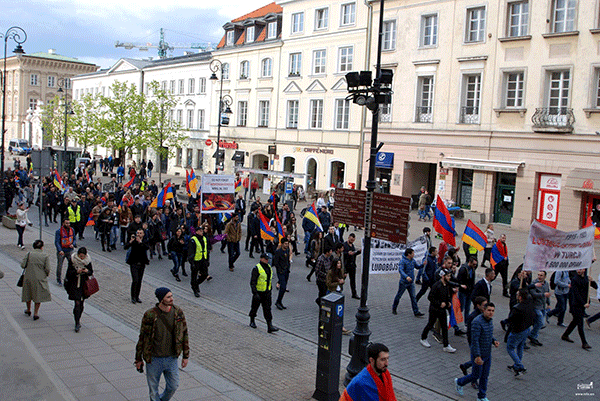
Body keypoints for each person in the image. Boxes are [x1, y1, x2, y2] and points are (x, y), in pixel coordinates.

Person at [135, 288, 189, 401]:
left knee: (173, 386)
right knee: (153, 389)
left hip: (171, 357)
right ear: (161, 299)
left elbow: (184, 334)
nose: (171, 299)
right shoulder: (150, 314)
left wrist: (185, 356)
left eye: (171, 296)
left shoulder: (178, 312)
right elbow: (142, 337)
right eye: (168, 297)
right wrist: (138, 358)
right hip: (154, 359)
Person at [454, 303, 499, 401]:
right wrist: (477, 356)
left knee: (485, 376)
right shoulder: (477, 322)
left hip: (487, 353)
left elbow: (488, 334)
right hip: (478, 354)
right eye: (489, 310)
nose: (491, 313)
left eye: (493, 310)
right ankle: (459, 382)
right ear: (484, 310)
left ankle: (482, 396)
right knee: (476, 375)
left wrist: (493, 340)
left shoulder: (489, 321)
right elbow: (475, 340)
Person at [420, 269, 457, 352]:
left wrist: (448, 302)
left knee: (444, 327)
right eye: (447, 276)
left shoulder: (447, 285)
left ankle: (446, 345)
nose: (449, 278)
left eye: (449, 276)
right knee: (430, 324)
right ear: (443, 276)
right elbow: (430, 297)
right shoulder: (436, 285)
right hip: (434, 309)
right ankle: (423, 338)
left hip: (442, 310)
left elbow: (447, 295)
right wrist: (439, 303)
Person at [562, 269, 598, 350]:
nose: (578, 270)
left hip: (583, 304)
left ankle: (565, 335)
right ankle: (584, 343)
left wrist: (592, 281)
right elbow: (576, 293)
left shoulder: (586, 278)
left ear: (584, 270)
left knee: (575, 321)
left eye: (580, 269)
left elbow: (596, 287)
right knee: (580, 323)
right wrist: (583, 303)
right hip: (576, 304)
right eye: (578, 269)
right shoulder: (575, 279)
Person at [505, 289, 536, 376]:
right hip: (526, 328)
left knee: (510, 348)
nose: (516, 296)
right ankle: (516, 365)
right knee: (520, 346)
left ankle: (520, 365)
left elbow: (510, 319)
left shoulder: (517, 308)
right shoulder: (529, 304)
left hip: (518, 330)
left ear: (520, 297)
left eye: (517, 294)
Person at [65, 247, 93, 332]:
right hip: (74, 284)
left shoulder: (88, 261)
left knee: (81, 303)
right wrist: (76, 272)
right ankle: (77, 322)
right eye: (80, 256)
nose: (81, 258)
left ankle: (79, 317)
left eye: (83, 256)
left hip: (83, 284)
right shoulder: (73, 259)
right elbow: (68, 273)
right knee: (77, 303)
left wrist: (86, 271)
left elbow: (91, 271)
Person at [21, 239, 51, 321]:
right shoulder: (45, 256)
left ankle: (28, 309)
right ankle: (36, 313)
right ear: (42, 247)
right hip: (40, 277)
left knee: (28, 293)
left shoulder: (29, 254)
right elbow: (47, 268)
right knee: (38, 295)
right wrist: (46, 274)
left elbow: (23, 265)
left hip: (28, 277)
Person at [249, 253, 279, 333]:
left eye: (268, 259)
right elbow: (253, 282)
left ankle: (270, 326)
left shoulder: (269, 267)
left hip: (267, 292)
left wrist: (270, 289)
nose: (267, 260)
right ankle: (252, 320)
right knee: (254, 308)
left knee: (267, 309)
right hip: (258, 292)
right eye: (265, 259)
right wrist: (255, 293)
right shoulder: (257, 268)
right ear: (261, 259)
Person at [392, 248, 424, 317]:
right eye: (412, 253)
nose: (414, 254)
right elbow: (401, 270)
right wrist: (406, 277)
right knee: (399, 295)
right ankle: (394, 308)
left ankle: (416, 312)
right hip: (404, 282)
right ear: (409, 254)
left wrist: (422, 265)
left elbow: (417, 267)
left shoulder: (413, 261)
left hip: (411, 282)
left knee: (413, 297)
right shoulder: (403, 261)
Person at [124, 228, 150, 304]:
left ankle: (137, 296)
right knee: (135, 280)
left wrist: (141, 242)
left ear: (143, 234)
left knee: (139, 281)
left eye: (140, 233)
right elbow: (126, 247)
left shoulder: (145, 241)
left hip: (142, 263)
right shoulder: (134, 241)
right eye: (137, 233)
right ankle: (133, 297)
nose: (138, 234)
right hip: (134, 263)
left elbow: (147, 247)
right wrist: (130, 241)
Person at [528, 270, 550, 347]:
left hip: (543, 306)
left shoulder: (546, 284)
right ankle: (532, 335)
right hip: (536, 306)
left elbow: (548, 293)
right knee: (540, 322)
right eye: (538, 275)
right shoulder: (534, 283)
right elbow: (533, 294)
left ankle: (533, 336)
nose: (539, 277)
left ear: (545, 277)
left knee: (538, 323)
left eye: (541, 275)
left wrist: (548, 303)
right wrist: (543, 295)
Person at [188, 225, 209, 297]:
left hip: (203, 259)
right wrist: (192, 262)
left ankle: (196, 284)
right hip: (196, 261)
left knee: (205, 274)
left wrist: (207, 260)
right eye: (200, 231)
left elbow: (206, 249)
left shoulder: (204, 238)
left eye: (202, 231)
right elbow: (190, 252)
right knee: (194, 275)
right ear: (196, 232)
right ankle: (194, 289)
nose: (202, 232)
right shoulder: (193, 240)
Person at [55, 219, 77, 285]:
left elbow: (74, 238)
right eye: (66, 223)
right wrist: (60, 250)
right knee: (60, 266)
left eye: (69, 223)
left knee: (72, 265)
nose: (68, 225)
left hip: (70, 250)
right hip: (62, 250)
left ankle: (68, 278)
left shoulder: (72, 230)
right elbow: (57, 242)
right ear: (63, 224)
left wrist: (73, 244)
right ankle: (58, 279)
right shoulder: (59, 231)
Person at [274, 238, 291, 310]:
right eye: (285, 244)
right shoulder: (278, 252)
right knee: (283, 287)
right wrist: (280, 270)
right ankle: (278, 301)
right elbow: (276, 263)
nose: (287, 245)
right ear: (282, 244)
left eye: (287, 244)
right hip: (281, 272)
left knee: (283, 288)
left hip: (286, 271)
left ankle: (280, 301)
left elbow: (287, 260)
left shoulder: (287, 250)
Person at [342, 233, 361, 299]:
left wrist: (358, 252)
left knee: (353, 280)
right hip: (346, 265)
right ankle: (338, 290)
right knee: (342, 279)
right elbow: (342, 254)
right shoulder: (344, 245)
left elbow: (354, 254)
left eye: (353, 240)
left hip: (352, 265)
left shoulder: (352, 246)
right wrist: (347, 253)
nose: (352, 241)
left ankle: (354, 293)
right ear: (348, 237)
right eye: (351, 239)